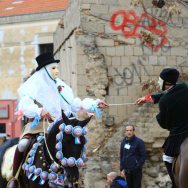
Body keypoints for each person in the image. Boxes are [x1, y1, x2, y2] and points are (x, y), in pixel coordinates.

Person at [7, 52, 108, 188]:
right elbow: (24, 104)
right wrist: (39, 111)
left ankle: (74, 178)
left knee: (73, 143)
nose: (57, 71)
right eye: (53, 68)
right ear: (45, 71)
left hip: (60, 125)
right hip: (38, 126)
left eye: (56, 67)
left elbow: (74, 103)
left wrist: (94, 104)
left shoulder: (61, 86)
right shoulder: (33, 86)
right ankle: (15, 177)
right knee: (23, 144)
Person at [135, 67, 188, 188]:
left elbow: (164, 124)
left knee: (167, 156)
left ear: (166, 82)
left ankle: (175, 183)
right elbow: (168, 94)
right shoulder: (184, 87)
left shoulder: (165, 102)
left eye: (160, 80)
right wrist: (148, 98)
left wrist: (159, 116)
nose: (159, 82)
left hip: (178, 135)